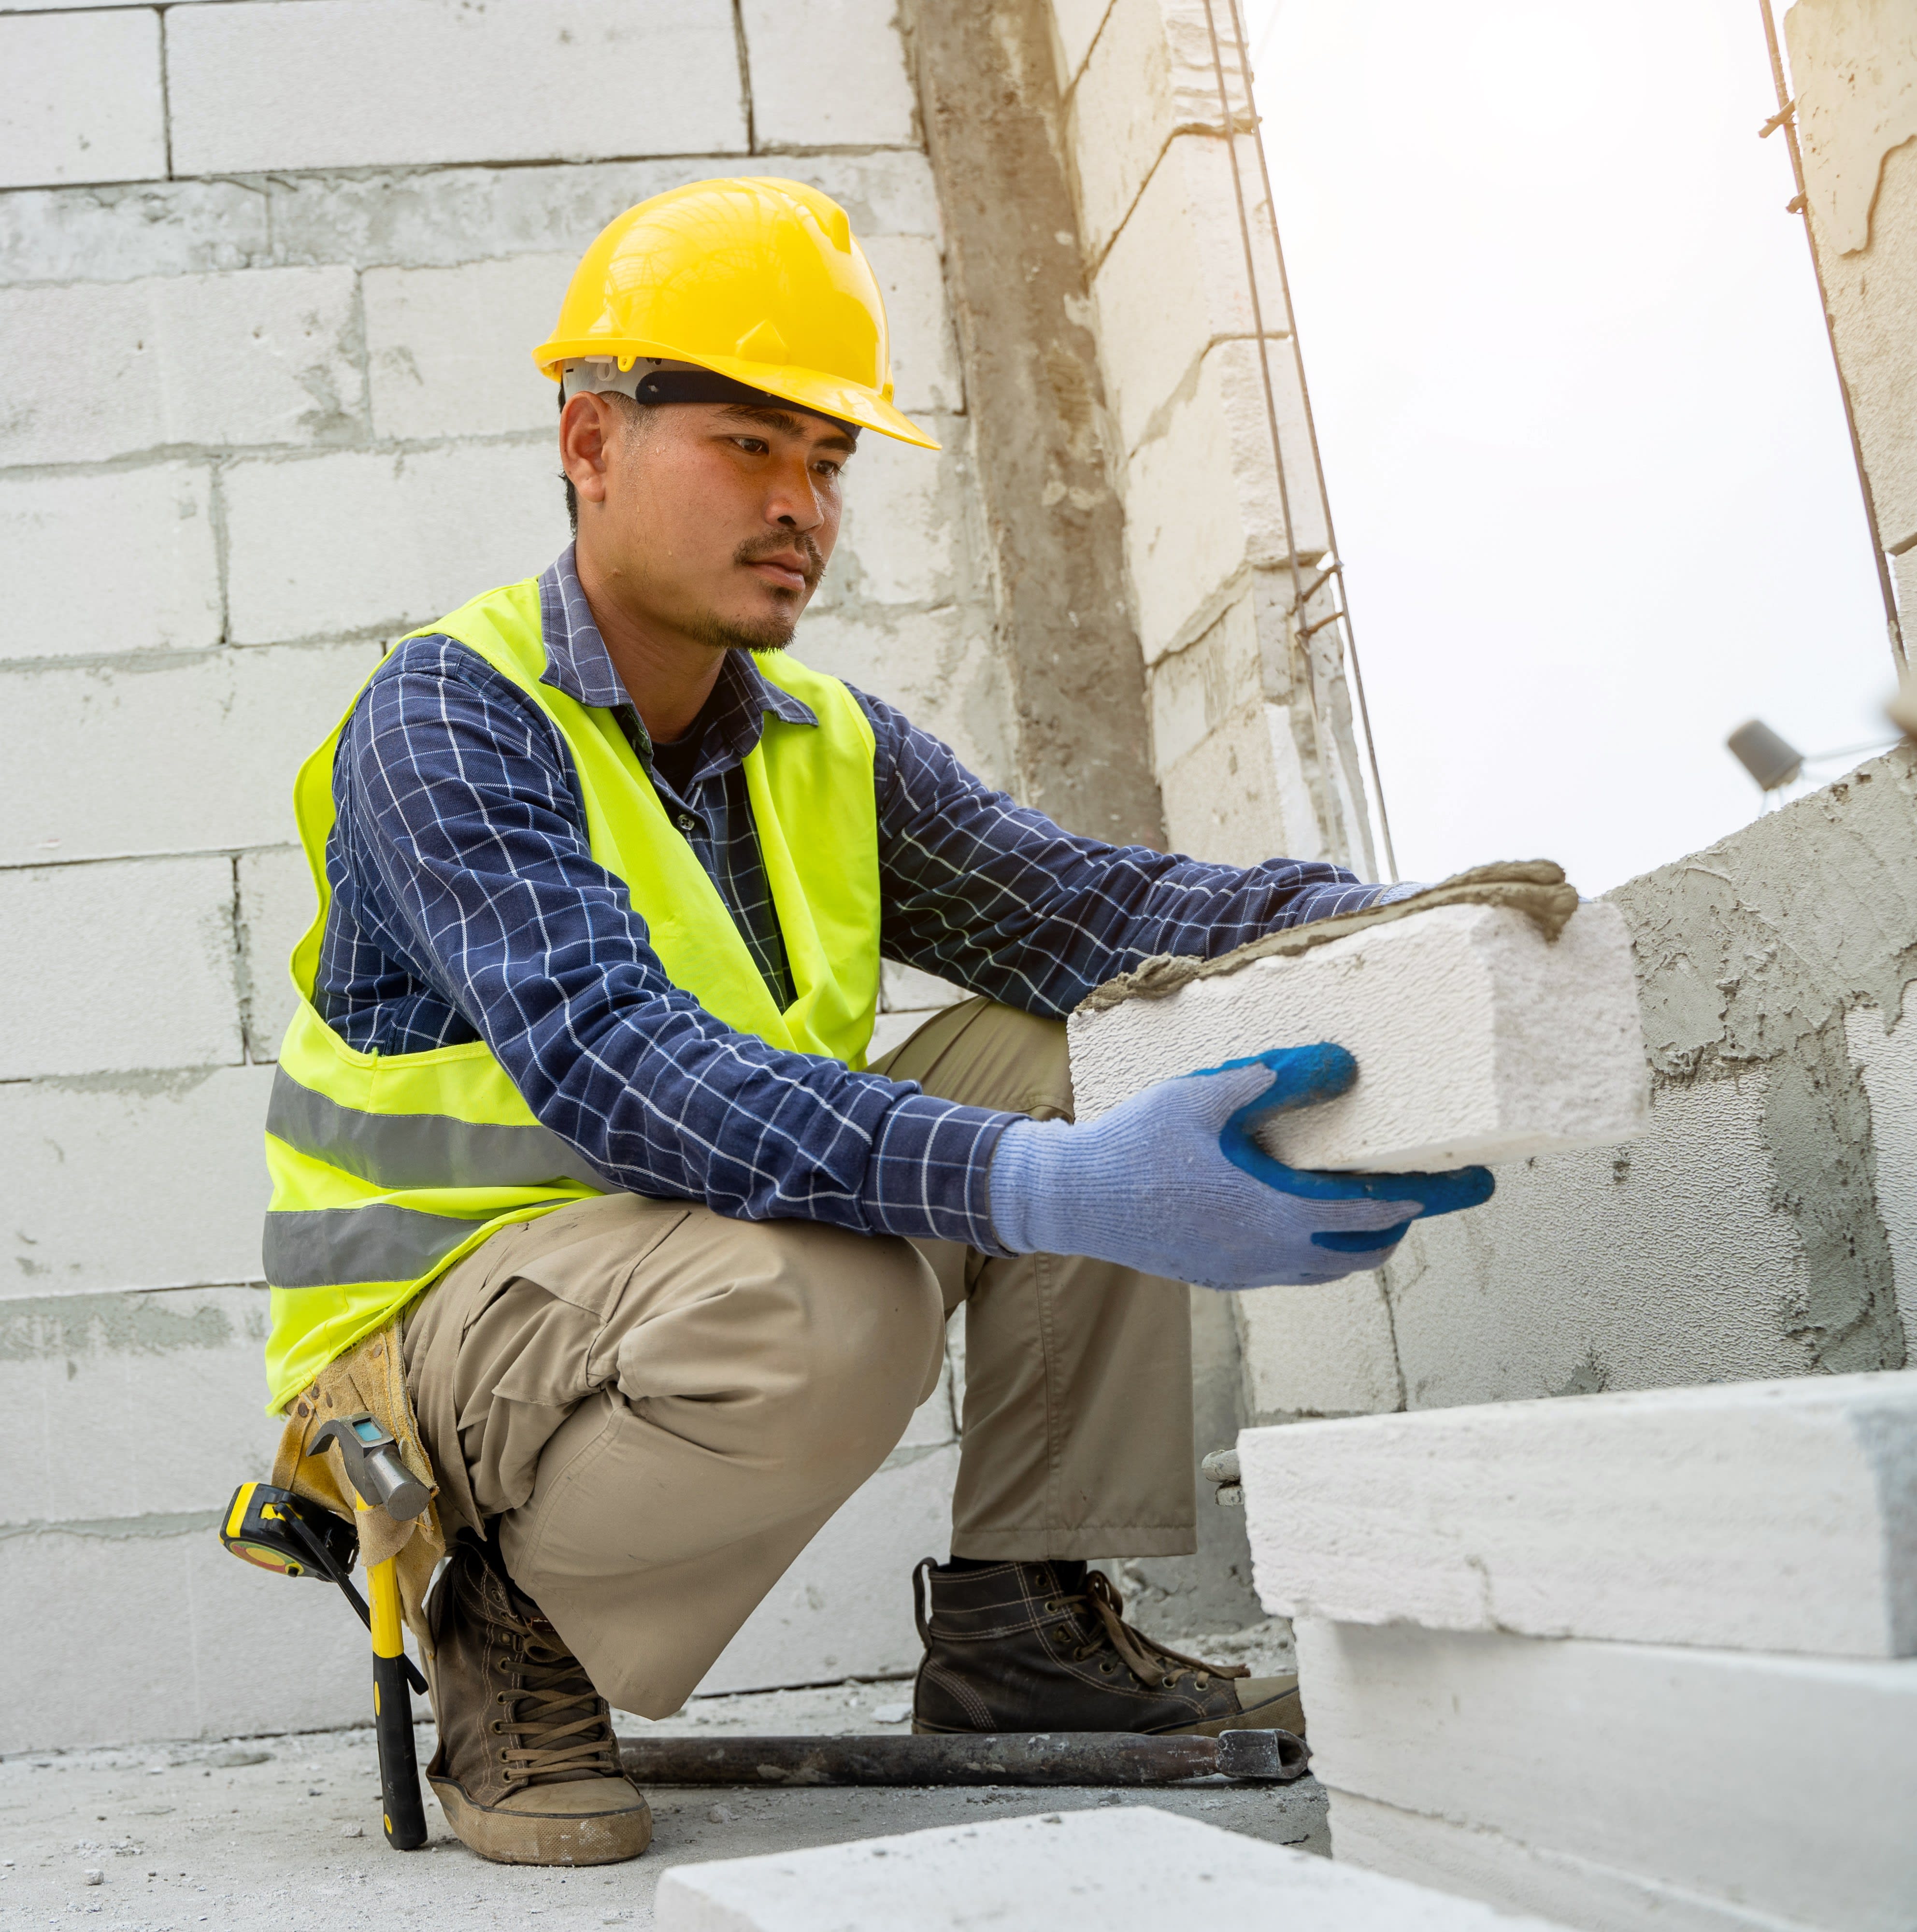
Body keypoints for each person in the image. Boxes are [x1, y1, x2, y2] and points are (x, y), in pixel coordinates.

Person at [260, 176, 1489, 1866]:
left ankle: (1018, 1632)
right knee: (827, 1295)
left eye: (827, 464)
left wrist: (1380, 914)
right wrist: (1046, 1189)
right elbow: (620, 1066)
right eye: (753, 446)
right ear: (592, 441)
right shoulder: (450, 721)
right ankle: (501, 1620)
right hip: (446, 1355)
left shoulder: (824, 744)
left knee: (1099, 1046)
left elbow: (1095, 919)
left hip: (672, 1267)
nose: (803, 507)